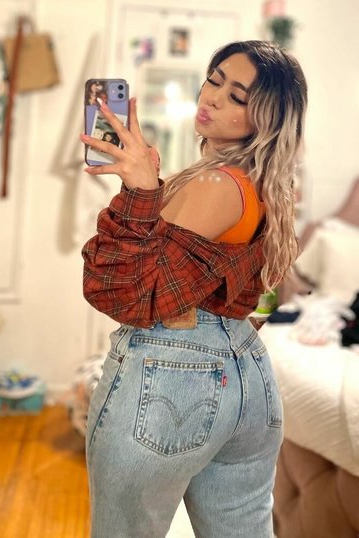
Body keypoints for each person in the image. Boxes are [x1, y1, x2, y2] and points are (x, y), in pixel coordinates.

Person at [80, 40, 307, 538]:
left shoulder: (217, 185)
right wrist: (147, 186)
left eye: (238, 96)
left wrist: (142, 192)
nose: (213, 97)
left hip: (173, 374)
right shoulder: (257, 185)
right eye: (215, 79)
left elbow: (126, 294)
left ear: (265, 118)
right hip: (247, 373)